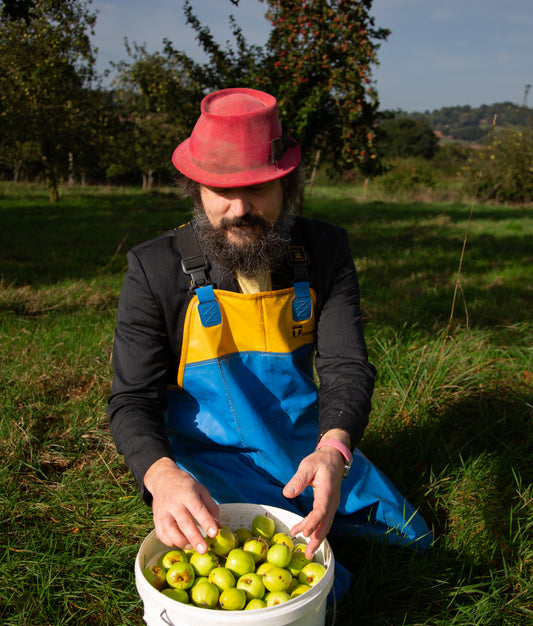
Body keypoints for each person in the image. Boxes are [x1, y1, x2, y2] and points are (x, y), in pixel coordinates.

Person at [108, 87, 431, 584]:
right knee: (321, 583)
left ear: (288, 184)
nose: (240, 208)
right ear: (196, 190)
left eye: (257, 189)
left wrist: (334, 449)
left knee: (412, 536)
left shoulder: (325, 249)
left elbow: (347, 364)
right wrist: (162, 475)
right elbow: (132, 398)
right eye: (222, 190)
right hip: (207, 456)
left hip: (304, 446)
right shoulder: (153, 269)